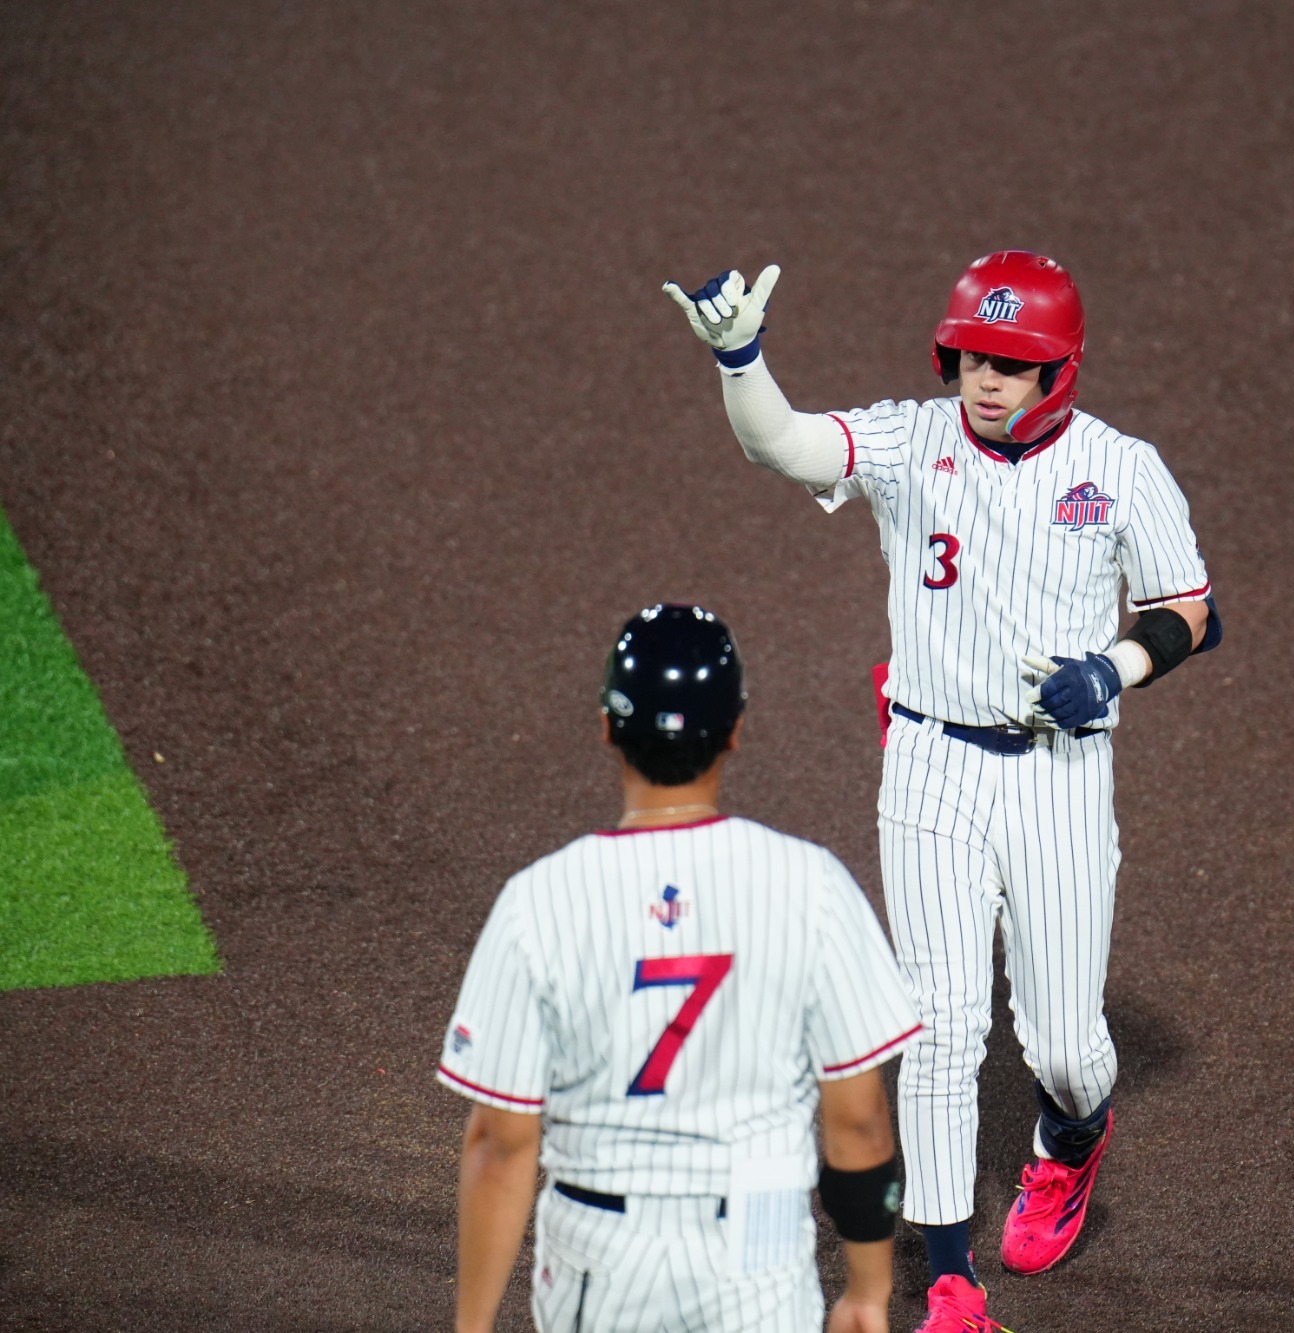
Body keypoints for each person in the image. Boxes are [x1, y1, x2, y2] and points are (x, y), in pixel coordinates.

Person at [663, 253, 1221, 1332]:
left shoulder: (1120, 468)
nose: (986, 379)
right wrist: (740, 359)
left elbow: (1189, 609)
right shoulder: (911, 439)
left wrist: (1114, 668)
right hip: (928, 766)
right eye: (973, 355)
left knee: (1059, 1044)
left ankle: (1069, 1136)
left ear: (1058, 370)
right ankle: (950, 1277)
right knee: (938, 1027)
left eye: (1012, 364)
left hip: (1059, 773)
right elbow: (779, 442)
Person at [437, 604, 921, 1333]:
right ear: (735, 729)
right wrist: (867, 1289)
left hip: (599, 1252)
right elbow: (858, 1123)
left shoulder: (539, 900)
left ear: (607, 727)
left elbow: (501, 1144)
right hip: (755, 1253)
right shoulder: (809, 884)